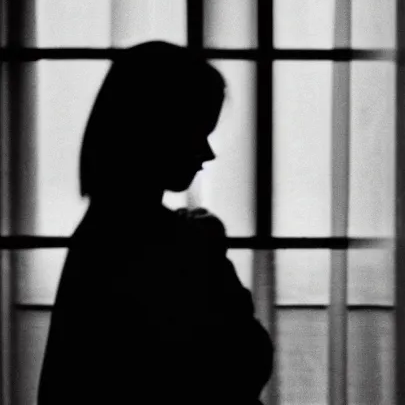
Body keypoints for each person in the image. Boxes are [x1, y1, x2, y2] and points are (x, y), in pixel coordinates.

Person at [37, 41, 273, 404]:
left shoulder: (100, 236)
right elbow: (243, 360)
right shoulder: (164, 244)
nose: (208, 152)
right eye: (198, 132)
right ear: (157, 131)